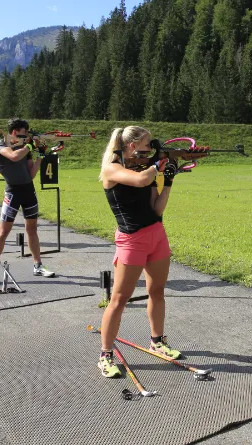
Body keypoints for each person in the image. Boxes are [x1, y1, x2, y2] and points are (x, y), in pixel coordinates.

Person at [96, 126, 181, 378]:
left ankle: (157, 341)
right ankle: (105, 354)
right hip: (132, 240)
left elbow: (156, 208)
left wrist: (169, 180)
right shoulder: (112, 169)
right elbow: (141, 180)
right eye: (146, 147)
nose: (149, 151)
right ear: (132, 146)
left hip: (156, 234)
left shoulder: (144, 169)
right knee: (119, 300)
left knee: (157, 291)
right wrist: (159, 162)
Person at [0, 118, 55, 289]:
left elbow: (31, 174)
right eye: (24, 133)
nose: (27, 136)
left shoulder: (24, 148)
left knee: (32, 229)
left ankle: (38, 265)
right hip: (12, 192)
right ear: (14, 132)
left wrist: (40, 156)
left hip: (28, 190)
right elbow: (13, 157)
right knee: (3, 232)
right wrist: (28, 146)